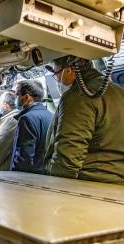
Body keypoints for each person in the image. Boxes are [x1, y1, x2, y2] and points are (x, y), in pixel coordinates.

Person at [45, 55, 124, 184]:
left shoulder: (79, 95)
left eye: (56, 73)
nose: (57, 79)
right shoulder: (119, 92)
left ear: (68, 70)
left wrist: (57, 185)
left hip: (91, 181)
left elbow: (70, 150)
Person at [10, 80, 53, 174]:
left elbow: (24, 159)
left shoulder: (26, 119)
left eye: (17, 95)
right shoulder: (51, 116)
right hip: (47, 174)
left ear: (27, 97)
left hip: (30, 178)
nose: (15, 98)